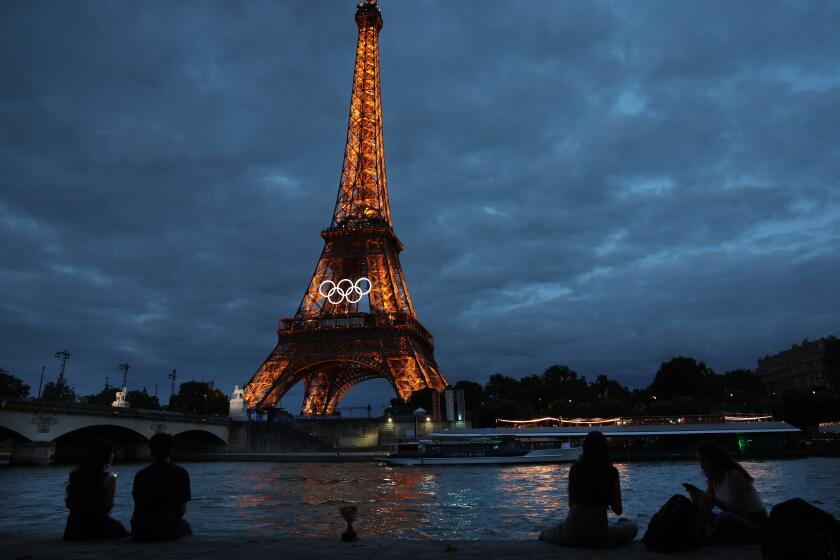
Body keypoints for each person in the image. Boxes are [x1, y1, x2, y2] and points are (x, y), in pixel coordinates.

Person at [539, 431, 638, 547]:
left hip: (572, 534)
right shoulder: (611, 472)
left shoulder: (575, 468)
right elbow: (618, 510)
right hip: (599, 536)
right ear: (605, 449)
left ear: (585, 448)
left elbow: (571, 504)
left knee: (544, 534)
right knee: (631, 527)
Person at [683, 441, 767, 545]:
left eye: (703, 461)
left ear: (713, 459)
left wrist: (709, 498)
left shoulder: (734, 475)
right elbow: (706, 509)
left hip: (754, 523)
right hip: (736, 521)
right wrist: (695, 496)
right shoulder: (713, 478)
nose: (701, 466)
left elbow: (740, 511)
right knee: (690, 512)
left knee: (723, 517)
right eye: (700, 461)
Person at [130, 433, 192, 541]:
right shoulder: (181, 473)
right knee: (185, 526)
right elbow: (181, 510)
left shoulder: (141, 475)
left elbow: (138, 504)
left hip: (140, 529)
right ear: (172, 449)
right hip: (166, 526)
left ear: (151, 450)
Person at [63, 440, 129, 541]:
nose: (113, 455)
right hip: (97, 524)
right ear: (106, 457)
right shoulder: (109, 478)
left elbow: (70, 502)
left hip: (73, 526)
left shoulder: (74, 474)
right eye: (111, 453)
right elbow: (108, 506)